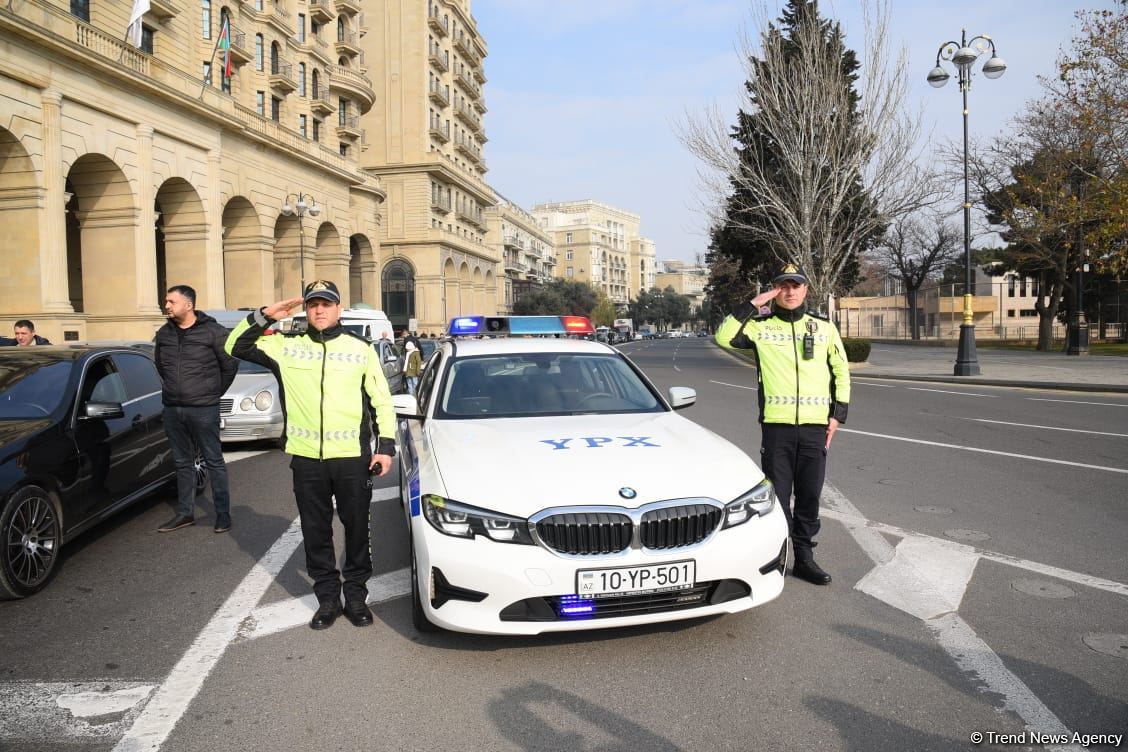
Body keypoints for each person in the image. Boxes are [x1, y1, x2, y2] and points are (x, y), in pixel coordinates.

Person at [226, 280, 396, 630]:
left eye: (326, 304)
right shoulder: (286, 347)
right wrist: (265, 315)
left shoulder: (360, 348)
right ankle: (328, 600)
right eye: (313, 304)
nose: (319, 310)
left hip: (351, 458)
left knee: (356, 533)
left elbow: (381, 400)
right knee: (316, 533)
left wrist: (386, 448)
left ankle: (357, 597)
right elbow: (234, 345)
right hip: (306, 460)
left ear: (338, 308)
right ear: (306, 309)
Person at [727, 264, 851, 586]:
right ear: (776, 289)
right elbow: (723, 335)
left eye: (796, 286)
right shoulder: (761, 328)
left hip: (815, 428)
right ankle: (778, 555)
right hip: (777, 428)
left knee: (809, 496)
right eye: (784, 286)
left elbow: (841, 370)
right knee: (778, 497)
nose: (791, 291)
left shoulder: (823, 328)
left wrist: (838, 415)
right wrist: (755, 303)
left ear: (806, 290)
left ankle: (805, 559)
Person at [154, 285, 238, 534]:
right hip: (173, 408)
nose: (166, 305)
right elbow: (161, 366)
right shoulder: (163, 333)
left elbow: (230, 366)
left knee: (214, 461)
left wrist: (212, 394)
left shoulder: (213, 332)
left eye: (171, 301)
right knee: (182, 462)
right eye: (166, 301)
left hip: (204, 408)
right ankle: (185, 513)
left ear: (188, 305)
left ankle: (222, 515)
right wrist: (174, 391)